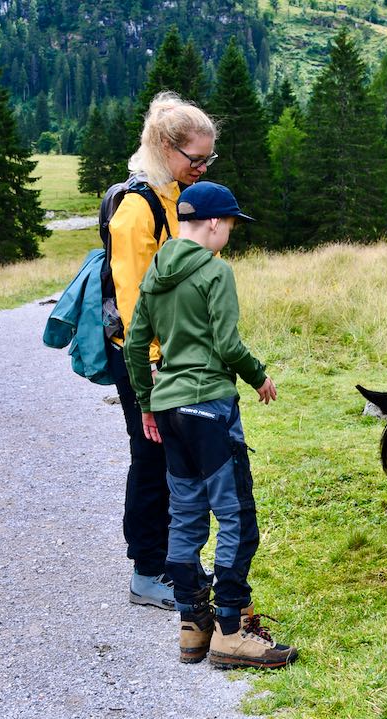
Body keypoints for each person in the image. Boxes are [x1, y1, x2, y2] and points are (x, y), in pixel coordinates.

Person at [123, 181, 298, 670]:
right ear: (216, 223)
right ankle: (230, 631)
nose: (232, 235)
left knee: (186, 518)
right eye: (233, 226)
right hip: (210, 407)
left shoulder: (156, 272)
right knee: (238, 518)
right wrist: (259, 375)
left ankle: (191, 626)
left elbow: (136, 345)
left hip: (171, 411)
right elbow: (226, 344)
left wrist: (146, 403)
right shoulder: (216, 273)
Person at [106, 92, 218, 610]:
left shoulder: (172, 196)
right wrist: (152, 364)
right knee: (150, 456)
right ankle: (147, 570)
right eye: (195, 158)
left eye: (207, 159)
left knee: (177, 456)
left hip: (171, 354)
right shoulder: (137, 208)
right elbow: (134, 302)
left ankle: (177, 563)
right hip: (143, 359)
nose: (202, 167)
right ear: (166, 148)